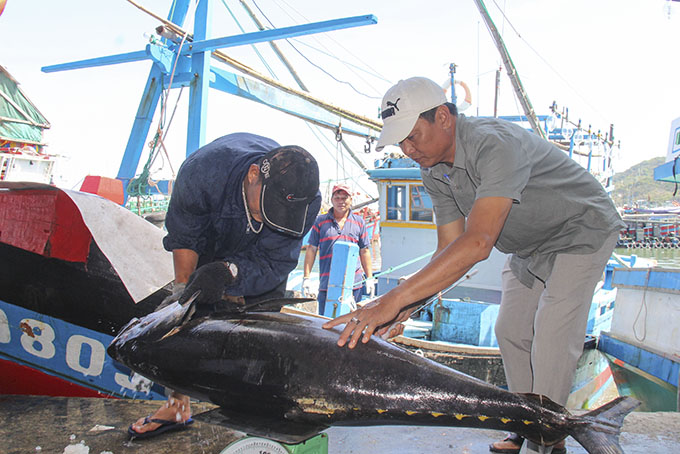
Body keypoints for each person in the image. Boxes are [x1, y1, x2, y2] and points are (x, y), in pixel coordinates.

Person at [323, 77, 624, 454]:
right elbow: (449, 249)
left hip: (580, 230)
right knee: (510, 330)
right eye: (401, 141)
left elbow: (479, 242)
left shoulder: (494, 144)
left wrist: (392, 298)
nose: (407, 148)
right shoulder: (433, 170)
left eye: (413, 135)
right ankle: (524, 421)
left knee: (551, 335)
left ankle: (546, 441)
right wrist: (402, 309)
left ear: (444, 117)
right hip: (529, 247)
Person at [128, 132, 321, 439]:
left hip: (263, 256)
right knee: (190, 320)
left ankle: (256, 415)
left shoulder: (303, 197)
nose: (270, 218)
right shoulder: (202, 172)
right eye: (267, 206)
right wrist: (183, 294)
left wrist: (231, 273)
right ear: (253, 175)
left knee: (261, 334)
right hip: (212, 236)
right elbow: (186, 237)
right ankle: (178, 406)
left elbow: (274, 262)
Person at [302, 183, 375, 314]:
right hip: (327, 283)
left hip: (354, 285)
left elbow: (364, 251)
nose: (341, 202)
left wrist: (369, 277)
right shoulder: (320, 221)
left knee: (352, 322)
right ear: (331, 200)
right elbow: (311, 249)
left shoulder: (359, 222)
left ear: (350, 200)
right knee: (327, 322)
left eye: (344, 198)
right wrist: (306, 278)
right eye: (337, 198)